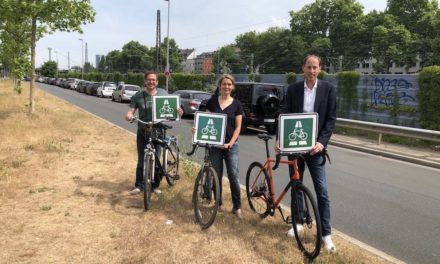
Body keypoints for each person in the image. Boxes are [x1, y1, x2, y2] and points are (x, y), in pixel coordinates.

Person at [276, 55, 337, 252]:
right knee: (296, 185)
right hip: (294, 148)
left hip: (315, 149)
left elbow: (330, 120)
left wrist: (321, 142)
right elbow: (283, 115)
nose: (311, 71)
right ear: (303, 68)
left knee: (322, 192)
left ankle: (326, 234)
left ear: (319, 69)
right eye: (308, 67)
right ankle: (298, 222)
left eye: (315, 67)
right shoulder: (293, 90)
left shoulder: (328, 89)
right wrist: (280, 139)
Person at [125, 71, 183, 195]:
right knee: (142, 159)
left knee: (156, 158)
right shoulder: (138, 96)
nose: (151, 82)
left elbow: (173, 108)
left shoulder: (163, 93)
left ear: (157, 82)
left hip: (158, 130)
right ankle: (139, 185)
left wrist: (179, 111)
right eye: (149, 80)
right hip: (143, 130)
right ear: (145, 81)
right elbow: (131, 110)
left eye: (153, 80)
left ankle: (155, 185)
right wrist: (129, 115)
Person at [204, 74, 244, 218]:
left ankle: (237, 206)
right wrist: (197, 130)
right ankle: (218, 203)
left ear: (232, 87)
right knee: (217, 176)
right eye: (224, 84)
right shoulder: (211, 103)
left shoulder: (237, 105)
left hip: (231, 146)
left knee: (233, 176)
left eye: (229, 84)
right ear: (219, 86)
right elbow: (205, 122)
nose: (226, 87)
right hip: (215, 146)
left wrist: (230, 143)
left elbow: (238, 127)